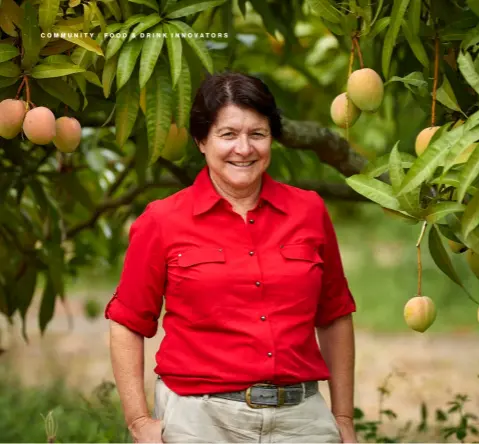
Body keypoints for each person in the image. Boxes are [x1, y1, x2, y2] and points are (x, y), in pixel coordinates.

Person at [104, 71, 358, 443]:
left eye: (257, 134)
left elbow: (335, 316)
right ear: (201, 140)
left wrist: (343, 417)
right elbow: (127, 322)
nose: (244, 148)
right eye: (228, 135)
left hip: (302, 421)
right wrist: (139, 421)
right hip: (200, 421)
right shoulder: (162, 220)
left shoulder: (310, 211)